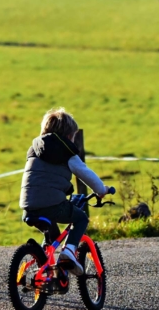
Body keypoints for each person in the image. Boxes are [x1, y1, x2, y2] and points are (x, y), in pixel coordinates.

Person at [19, 107, 109, 276]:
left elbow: (44, 178)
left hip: (28, 206)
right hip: (51, 205)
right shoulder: (66, 152)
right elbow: (86, 173)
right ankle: (69, 251)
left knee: (53, 238)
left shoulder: (34, 150)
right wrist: (101, 189)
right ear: (68, 136)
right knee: (81, 218)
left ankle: (50, 273)